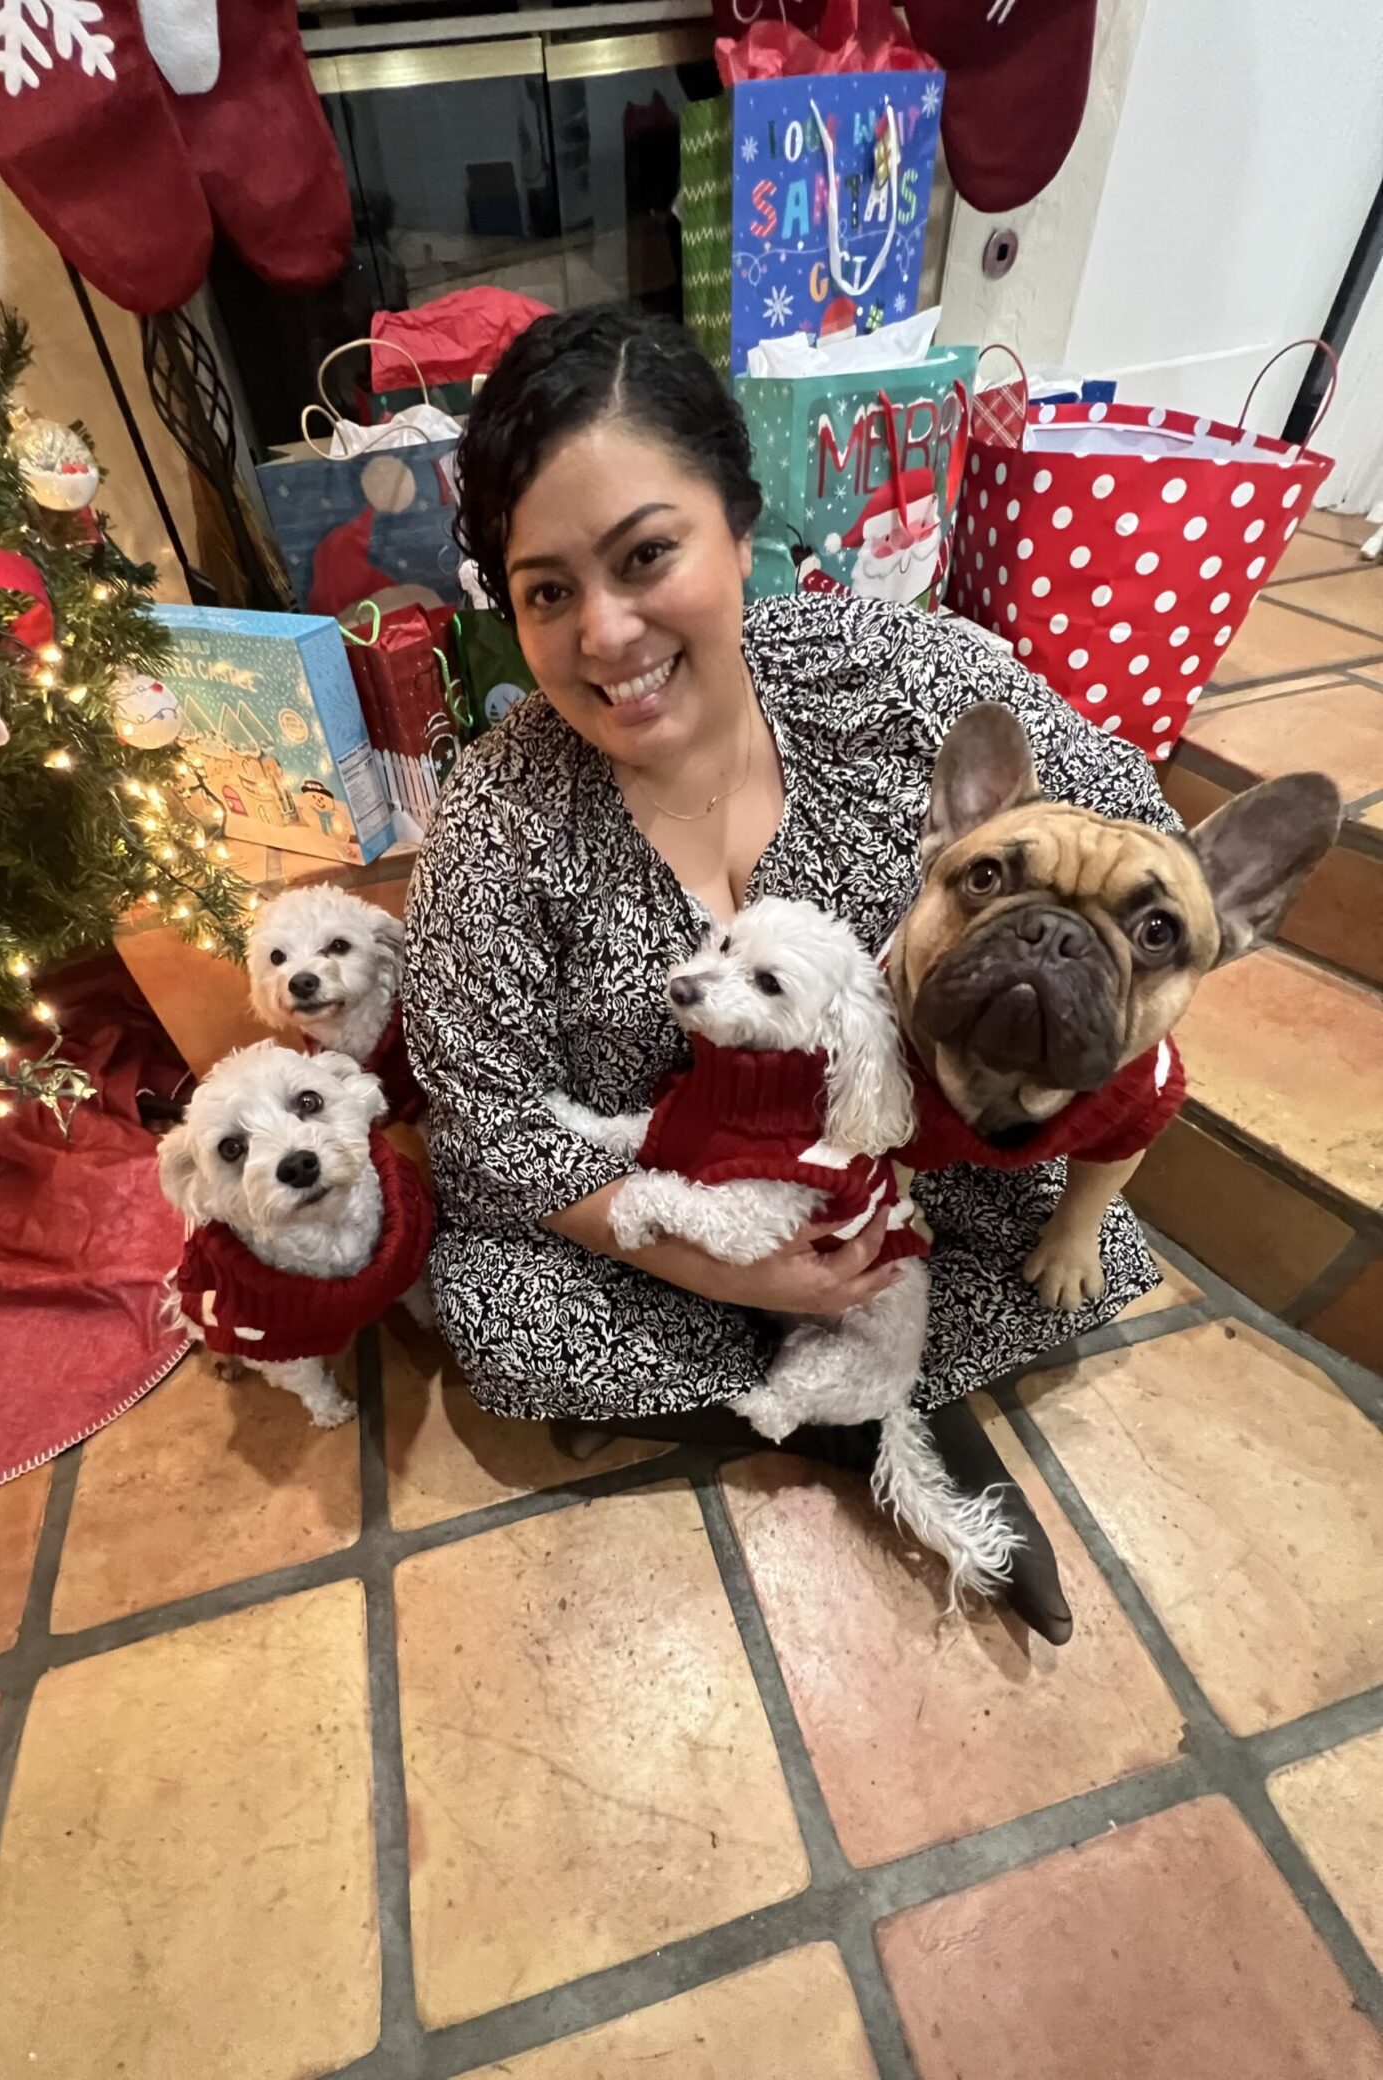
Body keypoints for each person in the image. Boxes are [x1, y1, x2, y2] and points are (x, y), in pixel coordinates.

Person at [402, 308, 1173, 1644]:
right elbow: (487, 1133)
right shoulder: (497, 817)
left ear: (740, 531)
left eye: (648, 555)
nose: (607, 634)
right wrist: (738, 1277)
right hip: (673, 1217)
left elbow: (1126, 811)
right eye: (547, 592)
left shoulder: (893, 673)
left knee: (1093, 1248)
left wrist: (1109, 993)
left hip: (901, 1188)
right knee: (502, 1322)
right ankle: (853, 1417)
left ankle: (819, 1393)